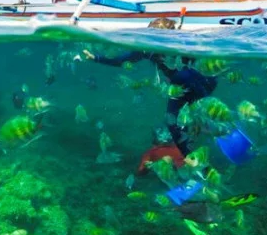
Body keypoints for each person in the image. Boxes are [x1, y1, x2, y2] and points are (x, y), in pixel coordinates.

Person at [81, 18, 217, 159]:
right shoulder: (148, 50)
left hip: (202, 81)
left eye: (161, 38)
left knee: (202, 113)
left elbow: (206, 62)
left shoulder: (182, 44)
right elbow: (122, 60)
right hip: (179, 88)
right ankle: (192, 160)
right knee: (172, 123)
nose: (157, 43)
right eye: (153, 37)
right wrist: (96, 58)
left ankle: (216, 130)